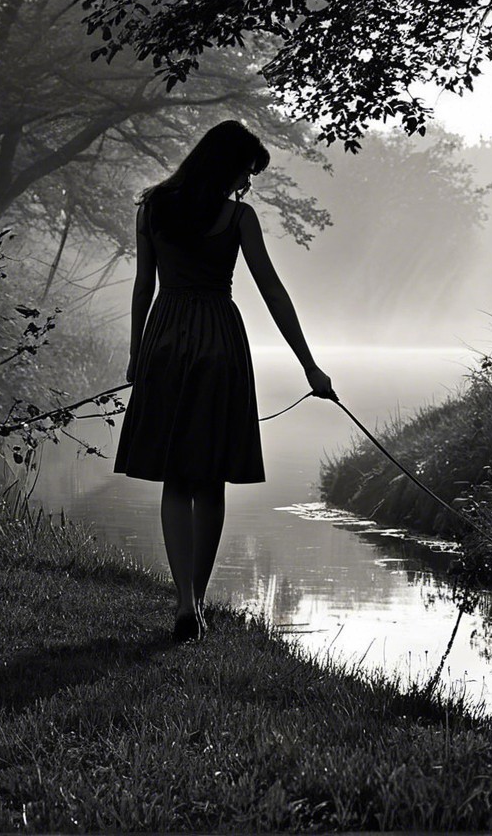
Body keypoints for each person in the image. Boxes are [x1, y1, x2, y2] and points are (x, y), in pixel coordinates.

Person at [113, 120, 335, 644]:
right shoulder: (237, 217)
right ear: (227, 164)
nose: (247, 183)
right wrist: (309, 366)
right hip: (218, 344)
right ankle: (198, 600)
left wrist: (135, 355)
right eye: (245, 171)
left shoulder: (153, 208)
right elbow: (273, 293)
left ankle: (183, 600)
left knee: (175, 476)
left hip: (164, 340)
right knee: (208, 478)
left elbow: (144, 286)